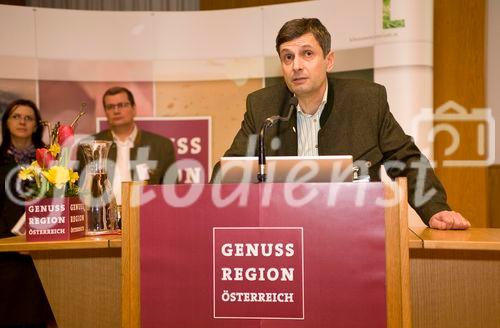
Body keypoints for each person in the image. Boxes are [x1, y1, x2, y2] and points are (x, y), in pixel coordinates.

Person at [214, 18, 470, 230]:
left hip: (352, 231)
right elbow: (229, 172)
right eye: (288, 57)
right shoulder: (263, 109)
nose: (297, 66)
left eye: (307, 54)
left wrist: (435, 209)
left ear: (329, 60)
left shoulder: (366, 102)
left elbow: (407, 160)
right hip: (284, 234)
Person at [0, 99, 54, 328]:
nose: (22, 121)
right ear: (6, 123)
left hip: (39, 258)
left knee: (35, 323)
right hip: (4, 256)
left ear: (36, 126)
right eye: (16, 116)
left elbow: (58, 203)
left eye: (28, 117)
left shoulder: (50, 162)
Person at [77, 86, 177, 205]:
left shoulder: (161, 146)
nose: (116, 111)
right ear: (105, 112)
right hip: (104, 218)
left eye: (122, 105)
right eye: (110, 107)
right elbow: (82, 192)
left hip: (147, 216)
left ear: (134, 108)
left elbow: (172, 192)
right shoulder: (90, 146)